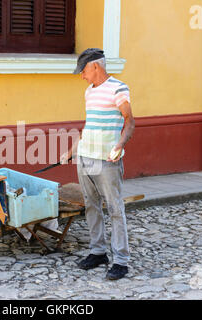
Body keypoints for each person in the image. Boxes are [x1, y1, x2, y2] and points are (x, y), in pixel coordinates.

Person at [61, 48, 135, 280]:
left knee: (114, 209)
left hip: (107, 161)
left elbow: (130, 122)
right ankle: (98, 252)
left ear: (95, 67)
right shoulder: (88, 92)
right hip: (85, 158)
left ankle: (121, 261)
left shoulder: (118, 88)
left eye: (83, 71)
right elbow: (89, 125)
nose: (82, 76)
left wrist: (120, 145)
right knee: (91, 206)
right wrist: (72, 151)